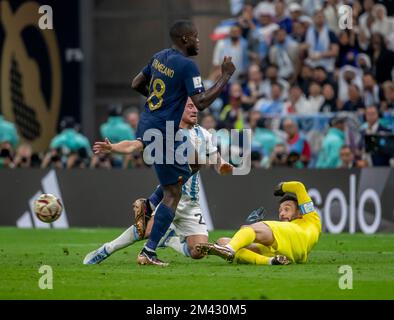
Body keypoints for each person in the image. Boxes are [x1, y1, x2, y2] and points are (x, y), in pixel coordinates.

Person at [96, 23, 235, 267]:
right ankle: (148, 251)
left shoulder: (159, 57)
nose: (199, 42)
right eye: (196, 37)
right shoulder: (187, 66)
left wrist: (161, 103)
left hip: (148, 123)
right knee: (173, 193)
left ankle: (148, 204)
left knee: (193, 162)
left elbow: (136, 83)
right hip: (164, 132)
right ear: (185, 39)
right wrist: (225, 76)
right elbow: (201, 102)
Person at [83, 98, 233, 265]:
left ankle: (169, 240)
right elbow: (134, 145)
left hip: (191, 203)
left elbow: (215, 156)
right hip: (169, 195)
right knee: (144, 231)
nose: (195, 110)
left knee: (198, 251)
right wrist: (113, 148)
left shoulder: (203, 133)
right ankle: (106, 249)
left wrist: (222, 165)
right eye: (190, 106)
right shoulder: (165, 131)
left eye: (196, 107)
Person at [196, 181, 321, 265]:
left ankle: (229, 249)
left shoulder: (310, 217)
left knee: (247, 233)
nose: (282, 213)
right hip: (289, 254)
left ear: (300, 212)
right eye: (280, 210)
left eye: (287, 209)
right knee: (222, 241)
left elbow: (298, 187)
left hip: (294, 235)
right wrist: (247, 231)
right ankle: (270, 261)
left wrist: (280, 187)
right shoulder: (286, 230)